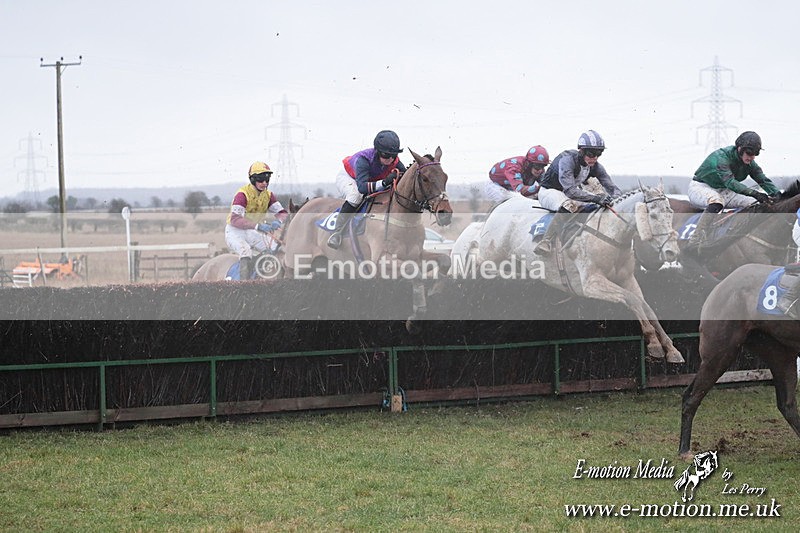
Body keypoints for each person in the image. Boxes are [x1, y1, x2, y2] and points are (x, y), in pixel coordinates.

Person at [686, 131, 780, 254]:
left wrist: (777, 195)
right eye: (749, 153)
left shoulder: (750, 163)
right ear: (739, 148)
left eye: (755, 153)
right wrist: (755, 193)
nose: (752, 157)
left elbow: (762, 179)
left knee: (756, 204)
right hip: (701, 187)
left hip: (724, 190)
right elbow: (730, 183)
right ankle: (694, 240)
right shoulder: (721, 157)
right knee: (716, 202)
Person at [534, 130, 622, 255]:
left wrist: (618, 201)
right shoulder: (567, 160)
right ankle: (545, 241)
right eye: (592, 153)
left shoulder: (595, 166)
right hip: (549, 192)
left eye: (599, 153)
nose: (595, 158)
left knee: (596, 207)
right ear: (581, 151)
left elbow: (612, 188)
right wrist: (596, 198)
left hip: (569, 193)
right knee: (570, 205)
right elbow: (570, 191)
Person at [327, 130, 408, 249]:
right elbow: (363, 188)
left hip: (368, 180)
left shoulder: (395, 161)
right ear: (378, 151)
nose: (390, 159)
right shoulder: (363, 160)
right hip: (350, 178)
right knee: (356, 196)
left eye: (394, 155)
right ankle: (337, 232)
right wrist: (385, 182)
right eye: (386, 155)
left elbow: (405, 177)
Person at [225, 161, 289, 279]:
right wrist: (258, 226)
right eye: (260, 179)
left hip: (252, 232)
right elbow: (235, 219)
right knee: (246, 252)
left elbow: (283, 213)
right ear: (253, 179)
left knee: (275, 247)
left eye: (267, 179)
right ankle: (244, 287)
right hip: (235, 232)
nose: (264, 183)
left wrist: (278, 221)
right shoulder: (242, 195)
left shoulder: (268, 195)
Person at [485, 145, 550, 203]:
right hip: (496, 186)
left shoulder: (539, 170)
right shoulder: (514, 168)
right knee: (511, 200)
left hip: (512, 186)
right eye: (537, 166)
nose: (540, 170)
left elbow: (545, 183)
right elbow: (521, 191)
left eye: (543, 166)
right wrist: (540, 187)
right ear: (529, 163)